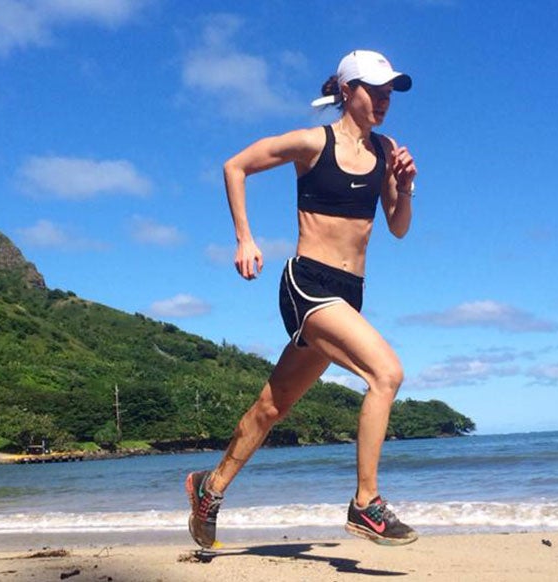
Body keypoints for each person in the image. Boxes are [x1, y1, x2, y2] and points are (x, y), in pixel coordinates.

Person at [186, 49, 418, 548]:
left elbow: (398, 227)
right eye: (374, 91)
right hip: (308, 284)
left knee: (272, 407)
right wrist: (245, 238)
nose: (383, 100)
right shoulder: (313, 143)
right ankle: (366, 503)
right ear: (347, 91)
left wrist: (404, 187)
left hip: (348, 295)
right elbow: (235, 166)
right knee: (386, 374)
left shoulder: (385, 151)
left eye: (389, 93)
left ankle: (210, 488)